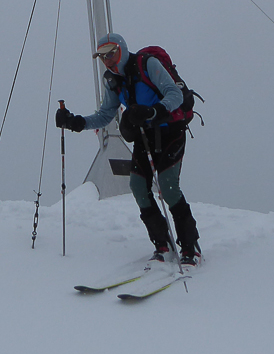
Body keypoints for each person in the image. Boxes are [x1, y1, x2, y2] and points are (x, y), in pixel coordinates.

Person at [55, 33, 202, 266]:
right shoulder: (113, 81)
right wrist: (77, 122)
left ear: (122, 50)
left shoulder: (148, 65)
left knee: (168, 187)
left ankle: (190, 247)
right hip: (145, 136)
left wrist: (153, 111)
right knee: (138, 186)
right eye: (102, 56)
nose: (107, 60)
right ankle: (162, 245)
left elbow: (174, 94)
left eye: (111, 53)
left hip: (171, 131)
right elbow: (105, 115)